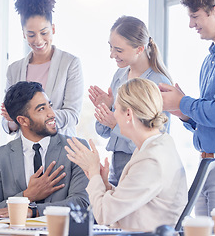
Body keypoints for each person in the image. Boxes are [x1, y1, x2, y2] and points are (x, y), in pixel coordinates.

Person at [159, 0, 215, 235]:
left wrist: (184, 102)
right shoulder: (211, 59)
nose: (191, 24)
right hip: (208, 164)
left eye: (195, 16)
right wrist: (184, 113)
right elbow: (212, 120)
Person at [66, 78, 187, 231]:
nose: (114, 115)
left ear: (128, 114)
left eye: (115, 109)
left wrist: (93, 171)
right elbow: (132, 201)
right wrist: (104, 185)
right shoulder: (156, 145)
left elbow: (104, 215)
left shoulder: (151, 160)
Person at [0, 81, 89, 218]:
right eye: (41, 109)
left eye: (50, 106)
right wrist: (27, 196)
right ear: (23, 120)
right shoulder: (0, 157)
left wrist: (33, 210)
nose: (52, 114)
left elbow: (82, 203)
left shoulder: (76, 148)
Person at [88, 16, 173, 186]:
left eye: (118, 50)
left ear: (139, 49)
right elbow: (104, 132)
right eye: (111, 47)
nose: (112, 55)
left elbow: (155, 143)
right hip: (117, 166)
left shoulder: (159, 83)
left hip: (142, 169)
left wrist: (115, 124)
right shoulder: (120, 76)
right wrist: (105, 109)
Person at [1, 0, 83, 137]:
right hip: (25, 149)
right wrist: (11, 119)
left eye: (44, 33)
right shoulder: (14, 69)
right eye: (31, 35)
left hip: (59, 146)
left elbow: (72, 115)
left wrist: (33, 117)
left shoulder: (70, 63)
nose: (38, 40)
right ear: (23, 34)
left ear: (53, 29)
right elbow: (9, 123)